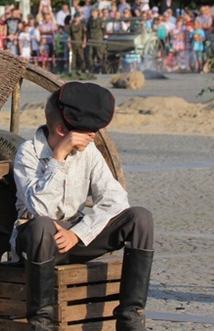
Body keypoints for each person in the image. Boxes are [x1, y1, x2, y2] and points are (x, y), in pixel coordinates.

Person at [12, 82, 154, 330]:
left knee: (140, 218)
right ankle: (41, 324)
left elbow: (116, 200)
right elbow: (39, 209)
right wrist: (58, 158)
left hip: (76, 238)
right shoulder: (28, 153)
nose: (92, 137)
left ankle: (129, 319)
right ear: (61, 129)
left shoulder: (89, 153)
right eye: (86, 133)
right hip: (37, 241)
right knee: (42, 226)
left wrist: (78, 233)